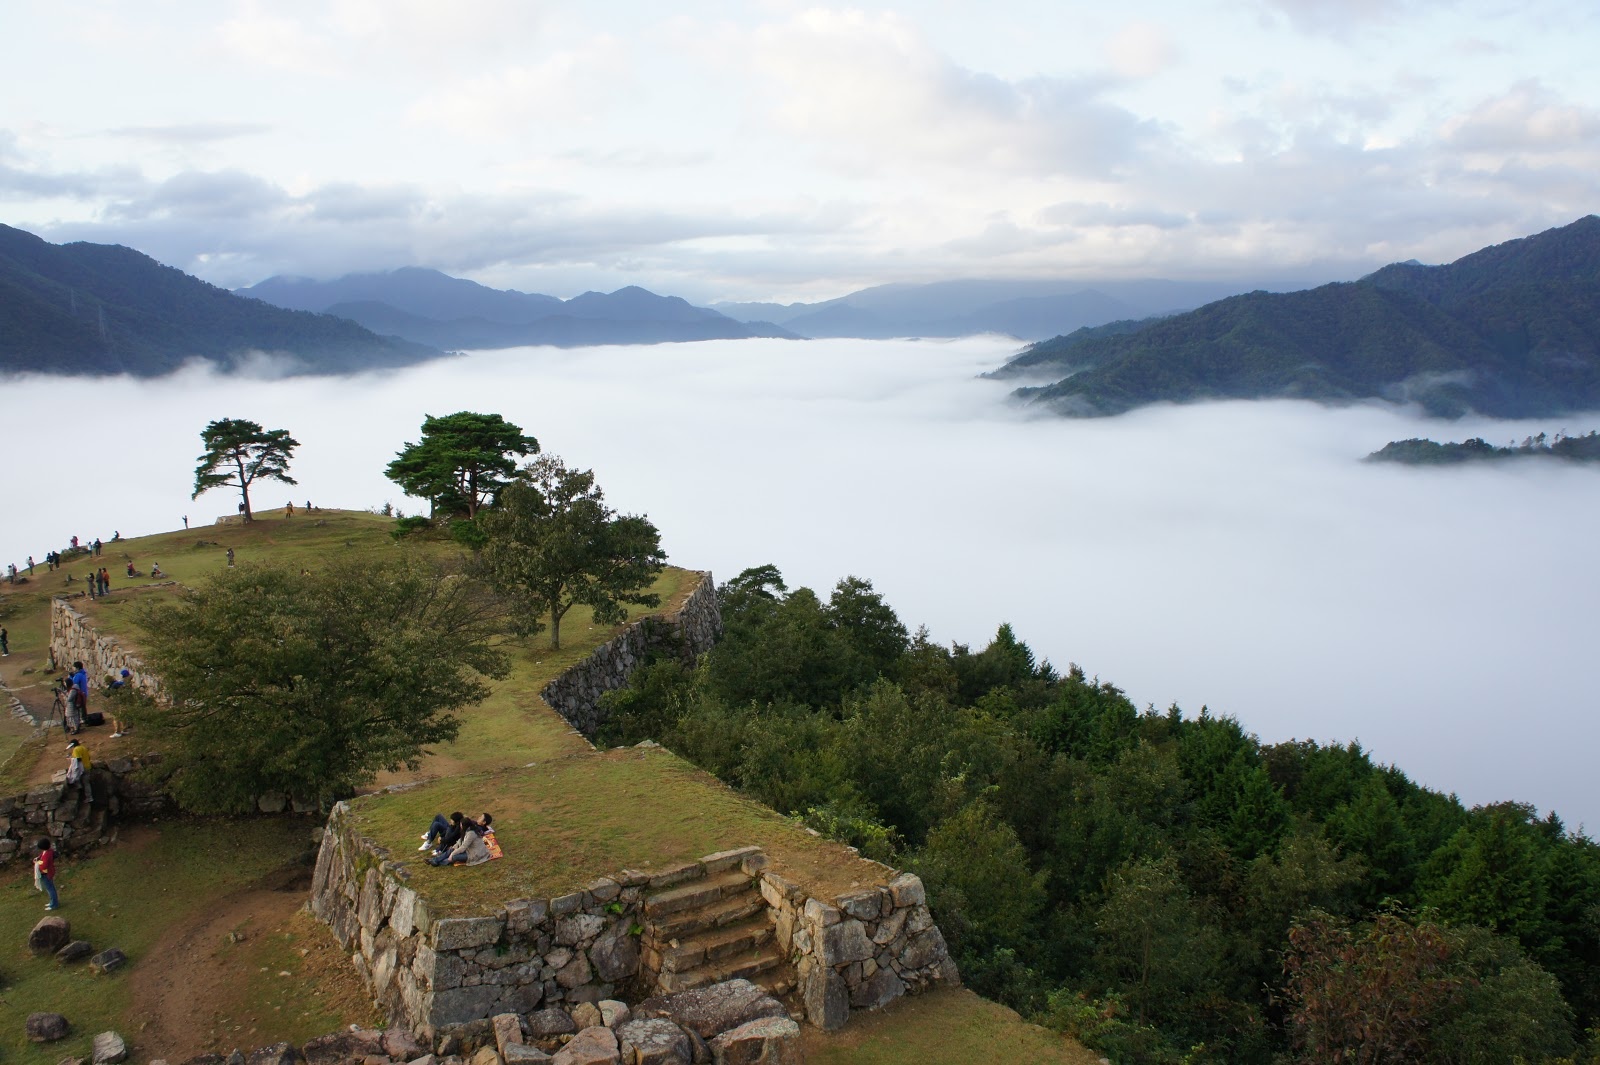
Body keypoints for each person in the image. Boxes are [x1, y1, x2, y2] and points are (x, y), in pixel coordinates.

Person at [35, 839, 59, 911]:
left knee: (50, 889)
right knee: (50, 888)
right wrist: (38, 858)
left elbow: (44, 865)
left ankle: (54, 904)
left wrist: (38, 862)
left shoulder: (47, 854)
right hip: (47, 872)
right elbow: (42, 855)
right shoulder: (48, 851)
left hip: (46, 873)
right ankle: (53, 902)